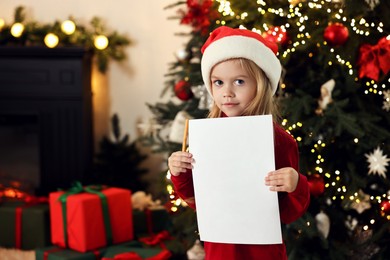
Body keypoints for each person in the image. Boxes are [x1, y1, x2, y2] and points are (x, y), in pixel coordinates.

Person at [168, 26, 310, 260]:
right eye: (218, 82)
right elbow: (198, 201)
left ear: (261, 85)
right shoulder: (207, 137)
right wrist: (179, 171)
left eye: (240, 82)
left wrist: (295, 184)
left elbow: (287, 213)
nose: (227, 93)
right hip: (220, 251)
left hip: (263, 252)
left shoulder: (280, 141)